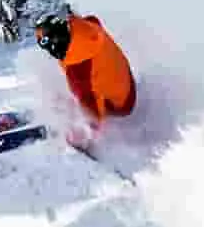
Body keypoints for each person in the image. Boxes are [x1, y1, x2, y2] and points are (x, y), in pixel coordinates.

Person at [34, 8, 135, 151]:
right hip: (125, 80)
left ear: (56, 43)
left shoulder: (79, 71)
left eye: (45, 44)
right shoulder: (84, 27)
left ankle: (69, 123)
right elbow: (93, 20)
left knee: (70, 102)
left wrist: (84, 137)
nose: (47, 51)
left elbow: (91, 110)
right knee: (68, 96)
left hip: (122, 104)